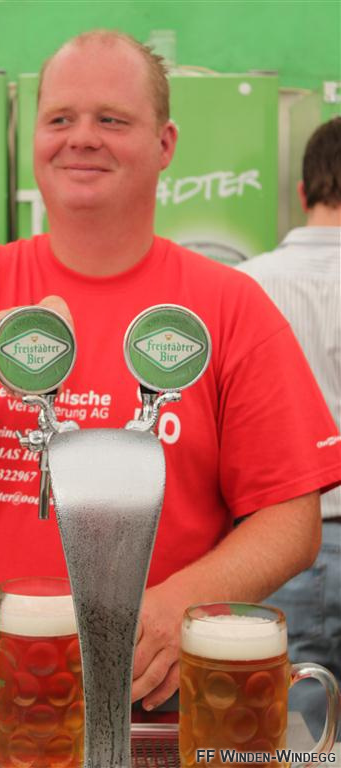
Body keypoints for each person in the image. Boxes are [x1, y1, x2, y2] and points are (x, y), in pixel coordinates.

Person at [0, 30, 340, 713]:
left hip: (161, 702)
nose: (82, 139)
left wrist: (184, 602)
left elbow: (292, 518)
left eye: (112, 119)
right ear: (34, 138)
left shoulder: (228, 305)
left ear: (165, 144)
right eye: (60, 118)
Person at [238, 117, 341, 740]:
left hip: (281, 546)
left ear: (302, 192)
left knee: (293, 738)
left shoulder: (244, 286)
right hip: (284, 542)